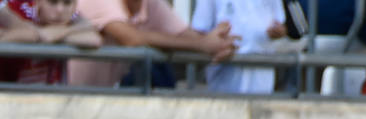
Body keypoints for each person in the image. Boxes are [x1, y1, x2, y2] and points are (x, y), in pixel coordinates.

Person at [68, 0, 237, 87]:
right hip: (59, 96)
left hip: (94, 98)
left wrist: (218, 42)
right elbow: (132, 39)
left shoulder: (150, 3)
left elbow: (190, 37)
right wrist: (203, 45)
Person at [190, 0, 286, 93]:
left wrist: (279, 32)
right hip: (225, 74)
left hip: (261, 74)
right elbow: (199, 30)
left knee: (260, 105)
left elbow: (280, 22)